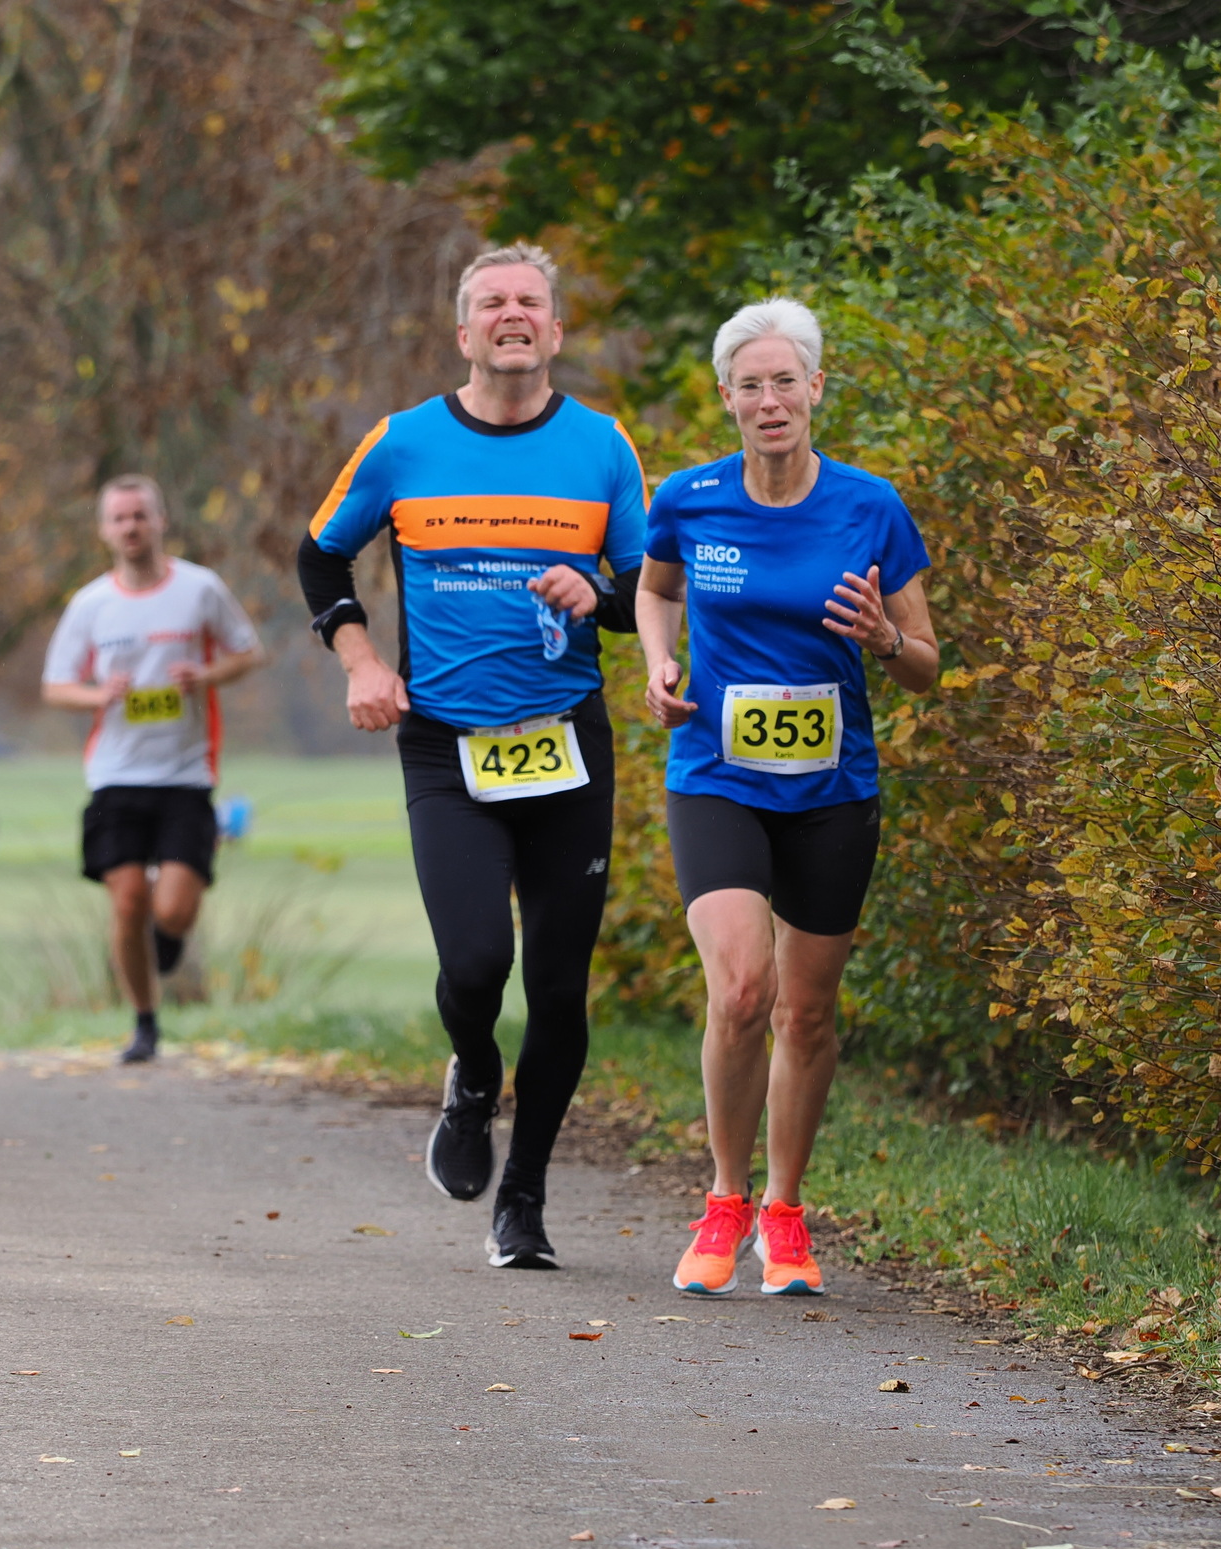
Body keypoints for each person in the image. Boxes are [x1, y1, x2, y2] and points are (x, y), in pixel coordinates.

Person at [297, 242, 648, 1270]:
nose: (512, 313)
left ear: (555, 329)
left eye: (529, 300)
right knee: (477, 962)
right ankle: (473, 1073)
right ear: (464, 332)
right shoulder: (404, 442)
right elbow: (320, 553)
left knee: (560, 987)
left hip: (566, 743)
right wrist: (362, 660)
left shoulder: (601, 447)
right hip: (447, 747)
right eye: (492, 301)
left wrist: (601, 594)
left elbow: (649, 590)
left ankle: (523, 1199)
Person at [636, 298, 940, 1296]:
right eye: (749, 385)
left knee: (805, 1014)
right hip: (717, 776)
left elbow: (926, 664)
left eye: (784, 382)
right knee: (741, 990)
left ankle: (785, 1211)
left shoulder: (870, 506)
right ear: (727, 399)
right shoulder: (689, 499)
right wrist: (658, 663)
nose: (769, 400)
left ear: (815, 389)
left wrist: (884, 640)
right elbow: (655, 589)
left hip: (831, 788)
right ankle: (724, 1200)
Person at [43, 473, 265, 1064]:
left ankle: (167, 937)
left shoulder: (200, 589)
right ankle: (144, 1022)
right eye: (119, 518)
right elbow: (56, 686)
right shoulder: (91, 604)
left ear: (161, 521)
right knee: (126, 903)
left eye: (140, 515)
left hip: (187, 773)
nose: (131, 527)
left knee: (172, 909)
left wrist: (205, 676)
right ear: (104, 530)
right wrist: (99, 695)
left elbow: (249, 652)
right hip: (116, 774)